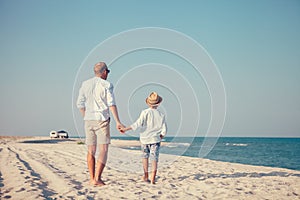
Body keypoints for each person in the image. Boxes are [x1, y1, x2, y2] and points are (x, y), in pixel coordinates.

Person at [77, 62, 124, 186]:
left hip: (88, 120)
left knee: (91, 150)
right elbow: (111, 104)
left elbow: (79, 104)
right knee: (103, 149)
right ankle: (97, 178)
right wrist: (118, 121)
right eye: (107, 71)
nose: (107, 74)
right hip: (102, 120)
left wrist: (86, 116)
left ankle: (91, 178)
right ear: (104, 72)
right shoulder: (107, 85)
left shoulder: (85, 84)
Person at [120, 92, 167, 184]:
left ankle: (146, 176)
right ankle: (153, 178)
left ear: (148, 103)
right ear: (158, 103)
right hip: (155, 140)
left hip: (145, 139)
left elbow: (137, 124)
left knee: (145, 157)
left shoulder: (145, 112)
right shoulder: (161, 115)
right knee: (154, 158)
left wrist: (126, 129)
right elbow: (164, 129)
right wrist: (161, 136)